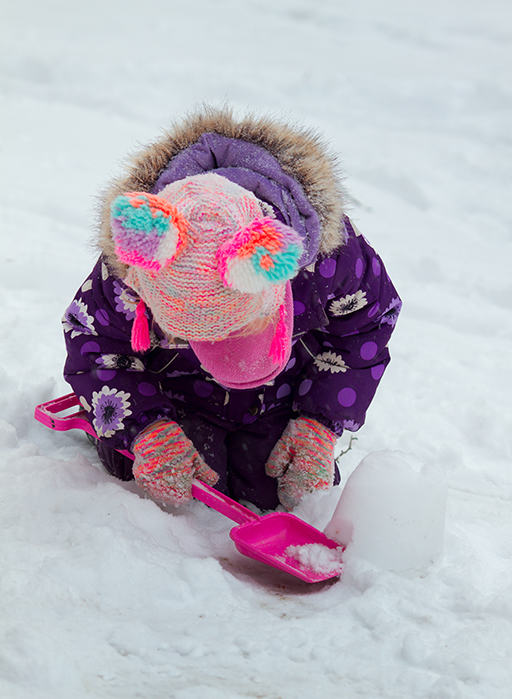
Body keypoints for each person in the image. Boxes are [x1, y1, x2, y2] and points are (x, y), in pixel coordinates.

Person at [62, 106, 401, 512]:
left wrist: (319, 421)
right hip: (173, 395)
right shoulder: (139, 263)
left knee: (277, 491)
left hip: (276, 396)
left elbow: (366, 327)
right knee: (185, 494)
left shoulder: (329, 259)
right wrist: (145, 428)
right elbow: (93, 343)